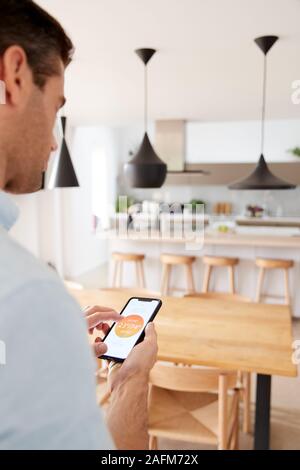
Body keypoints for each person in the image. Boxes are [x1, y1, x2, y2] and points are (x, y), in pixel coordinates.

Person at [0, 0, 158, 450]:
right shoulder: (29, 297)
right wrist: (132, 379)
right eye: (56, 106)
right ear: (14, 77)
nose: (53, 141)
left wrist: (58, 355)